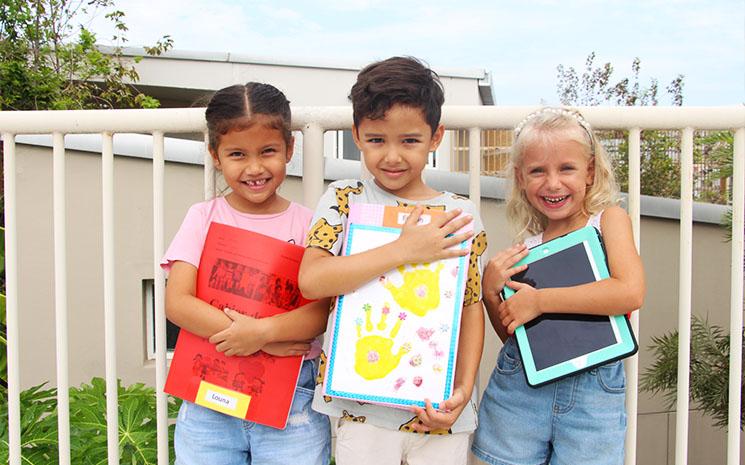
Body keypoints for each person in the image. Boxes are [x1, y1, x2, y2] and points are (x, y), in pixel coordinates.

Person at [298, 56, 489, 465]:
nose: (392, 156)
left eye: (409, 140)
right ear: (356, 135)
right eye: (376, 139)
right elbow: (312, 280)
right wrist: (404, 250)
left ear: (435, 137)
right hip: (361, 410)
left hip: (438, 412)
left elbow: (471, 305)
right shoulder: (345, 198)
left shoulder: (459, 212)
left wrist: (464, 389)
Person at [161, 82, 331, 465]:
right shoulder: (203, 218)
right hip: (208, 395)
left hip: (291, 397)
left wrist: (263, 333)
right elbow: (177, 302)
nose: (254, 168)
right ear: (215, 156)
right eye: (237, 154)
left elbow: (321, 310)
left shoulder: (311, 225)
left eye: (268, 151)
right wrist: (255, 339)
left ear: (289, 149)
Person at [472, 107, 646, 465]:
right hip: (518, 394)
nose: (552, 183)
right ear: (521, 178)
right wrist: (491, 292)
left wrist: (541, 301)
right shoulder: (526, 249)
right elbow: (516, 338)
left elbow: (630, 291)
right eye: (538, 171)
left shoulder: (607, 221)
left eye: (566, 168)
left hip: (594, 394)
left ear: (590, 172)